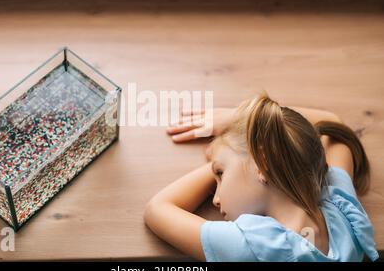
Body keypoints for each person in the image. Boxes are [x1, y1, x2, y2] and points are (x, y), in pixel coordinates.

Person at [143, 92, 379, 261]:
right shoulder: (345, 215)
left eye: (221, 174)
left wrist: (224, 152)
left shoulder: (253, 247)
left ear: (263, 165)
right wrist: (241, 122)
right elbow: (334, 126)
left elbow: (157, 209)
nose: (214, 198)